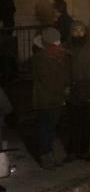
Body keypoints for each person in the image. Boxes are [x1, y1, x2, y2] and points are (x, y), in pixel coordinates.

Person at [64, 21, 90, 163]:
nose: (78, 33)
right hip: (73, 89)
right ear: (71, 32)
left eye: (81, 30)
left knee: (86, 121)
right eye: (75, 30)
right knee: (72, 122)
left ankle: (84, 151)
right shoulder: (66, 46)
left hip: (88, 88)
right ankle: (72, 151)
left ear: (85, 31)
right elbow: (64, 67)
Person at [32, 27, 68, 169]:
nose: (59, 43)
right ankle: (44, 156)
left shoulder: (57, 56)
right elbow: (48, 80)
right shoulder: (40, 58)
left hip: (55, 99)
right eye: (56, 41)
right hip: (46, 100)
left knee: (51, 129)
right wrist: (63, 90)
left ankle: (49, 155)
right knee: (45, 129)